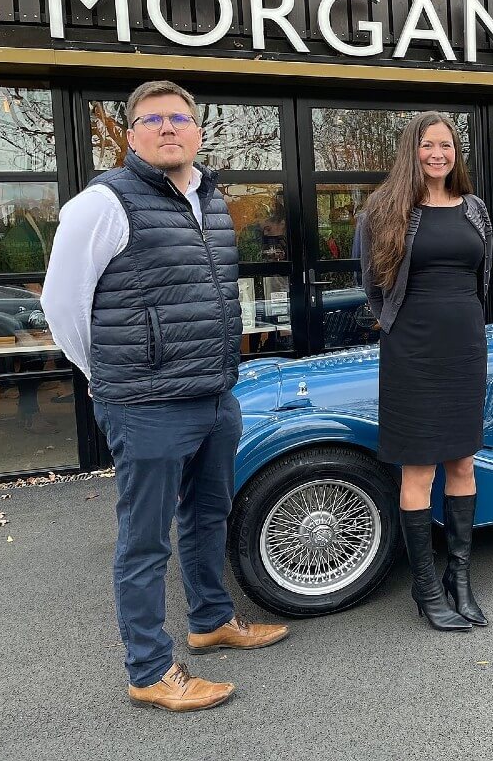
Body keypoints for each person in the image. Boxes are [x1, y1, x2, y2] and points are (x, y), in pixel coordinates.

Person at [40, 80, 288, 713]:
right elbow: (61, 304)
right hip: (145, 404)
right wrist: (108, 373)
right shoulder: (102, 203)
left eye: (180, 117)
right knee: (144, 540)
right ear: (131, 134)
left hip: (212, 394)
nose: (169, 128)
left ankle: (210, 621)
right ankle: (149, 670)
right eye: (153, 119)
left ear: (198, 130)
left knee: (208, 514)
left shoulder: (210, 199)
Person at [357, 111, 492, 630]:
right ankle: (426, 589)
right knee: (420, 468)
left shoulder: (475, 209)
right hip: (411, 351)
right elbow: (372, 284)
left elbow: (483, 273)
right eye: (428, 145)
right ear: (412, 150)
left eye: (447, 145)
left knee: (462, 462)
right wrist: (398, 324)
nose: (438, 154)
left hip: (465, 349)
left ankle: (460, 580)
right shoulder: (385, 209)